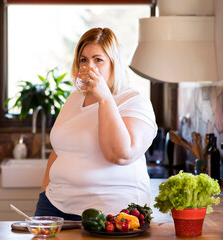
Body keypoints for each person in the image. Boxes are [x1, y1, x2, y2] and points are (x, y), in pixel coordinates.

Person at [34, 27, 157, 220]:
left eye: (98, 60)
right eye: (84, 60)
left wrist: (105, 98)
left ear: (114, 64)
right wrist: (45, 191)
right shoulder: (74, 99)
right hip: (54, 206)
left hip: (111, 214)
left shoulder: (134, 100)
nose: (89, 66)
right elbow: (60, 149)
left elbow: (120, 155)